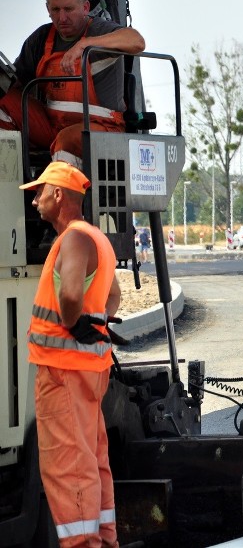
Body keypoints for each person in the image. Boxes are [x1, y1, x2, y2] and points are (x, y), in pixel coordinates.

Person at [19, 161, 122, 547]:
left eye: (40, 192)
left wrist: (74, 318)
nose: (35, 202)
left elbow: (70, 294)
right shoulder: (97, 237)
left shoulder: (74, 240)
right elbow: (113, 297)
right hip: (87, 370)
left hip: (62, 371)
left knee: (67, 467)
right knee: (92, 462)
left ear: (59, 194)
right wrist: (91, 322)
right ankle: (104, 539)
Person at [0, 0, 145, 168]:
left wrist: (84, 45)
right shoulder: (41, 39)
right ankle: (11, 182)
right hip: (53, 126)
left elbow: (137, 41)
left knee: (67, 140)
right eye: (55, 9)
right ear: (48, 9)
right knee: (4, 98)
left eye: (68, 9)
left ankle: (56, 196)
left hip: (101, 129)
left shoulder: (100, 30)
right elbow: (16, 84)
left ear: (85, 7)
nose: (62, 17)